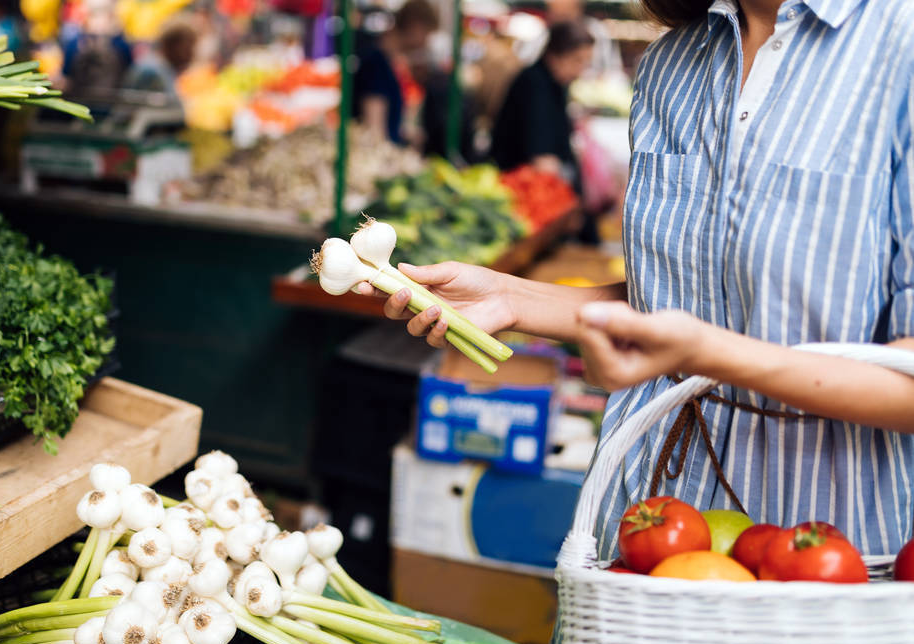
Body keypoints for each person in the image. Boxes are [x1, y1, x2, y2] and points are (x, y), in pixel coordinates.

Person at [360, 0, 914, 560]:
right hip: (645, 514)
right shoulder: (671, 64)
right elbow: (678, 295)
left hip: (823, 545)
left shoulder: (900, 47)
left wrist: (708, 354)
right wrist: (510, 296)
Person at [489, 21, 593, 178]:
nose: (580, 71)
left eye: (585, 63)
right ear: (555, 56)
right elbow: (542, 161)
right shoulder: (534, 85)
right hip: (518, 181)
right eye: (577, 60)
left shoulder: (556, 83)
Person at [352, 0, 439, 144]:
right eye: (427, 34)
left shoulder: (386, 62)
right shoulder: (376, 65)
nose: (426, 42)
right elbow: (375, 131)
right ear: (415, 26)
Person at [122, 15, 199, 103]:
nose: (192, 54)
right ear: (175, 44)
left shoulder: (162, 68)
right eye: (189, 47)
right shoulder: (152, 71)